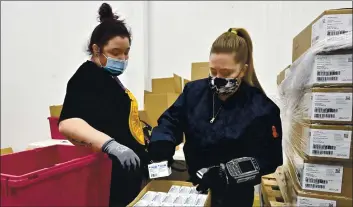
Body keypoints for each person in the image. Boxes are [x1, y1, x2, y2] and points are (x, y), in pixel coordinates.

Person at [148, 28, 283, 207]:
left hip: (236, 197)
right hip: (197, 190)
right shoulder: (194, 92)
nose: (217, 79)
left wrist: (226, 173)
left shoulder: (261, 108)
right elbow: (171, 120)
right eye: (213, 71)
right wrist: (162, 142)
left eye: (226, 73)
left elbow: (269, 158)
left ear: (243, 70)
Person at [58, 3, 149, 207]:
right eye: (115, 52)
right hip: (108, 174)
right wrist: (112, 145)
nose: (123, 59)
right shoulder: (85, 77)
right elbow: (68, 122)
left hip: (125, 172)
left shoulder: (107, 77)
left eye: (126, 52)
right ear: (96, 49)